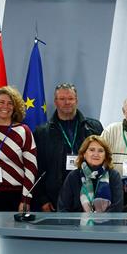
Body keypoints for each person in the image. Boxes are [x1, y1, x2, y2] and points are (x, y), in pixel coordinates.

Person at [32, 83, 103, 212]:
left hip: (89, 193)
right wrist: (42, 199)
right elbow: (37, 168)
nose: (67, 102)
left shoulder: (94, 128)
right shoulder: (42, 132)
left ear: (76, 100)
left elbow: (104, 163)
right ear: (55, 101)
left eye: (70, 98)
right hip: (55, 197)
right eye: (62, 99)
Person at [0, 86, 38, 212]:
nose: (5, 106)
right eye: (1, 102)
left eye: (10, 103)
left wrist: (25, 199)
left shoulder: (23, 131)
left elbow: (31, 168)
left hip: (15, 197)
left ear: (15, 107)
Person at [57, 135, 123, 212]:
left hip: (106, 223)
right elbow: (63, 208)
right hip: (77, 223)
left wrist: (98, 223)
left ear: (105, 155)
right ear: (84, 154)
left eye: (101, 151)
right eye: (92, 150)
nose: (96, 154)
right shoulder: (73, 176)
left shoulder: (114, 176)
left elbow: (117, 208)